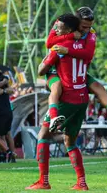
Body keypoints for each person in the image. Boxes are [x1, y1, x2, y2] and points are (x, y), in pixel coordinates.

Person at [45, 7, 107, 132]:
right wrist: (71, 36)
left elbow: (88, 54)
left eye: (89, 26)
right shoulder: (62, 23)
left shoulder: (91, 33)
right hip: (56, 69)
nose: (86, 30)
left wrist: (68, 50)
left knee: (98, 86)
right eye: (84, 27)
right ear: (76, 22)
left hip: (76, 71)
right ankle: (53, 117)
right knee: (56, 87)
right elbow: (49, 42)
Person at [26, 13, 90, 190]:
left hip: (66, 98)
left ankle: (43, 181)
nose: (55, 29)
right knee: (70, 141)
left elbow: (42, 70)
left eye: (59, 27)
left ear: (69, 29)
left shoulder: (60, 46)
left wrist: (45, 67)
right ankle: (81, 182)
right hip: (83, 97)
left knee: (43, 136)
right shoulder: (85, 43)